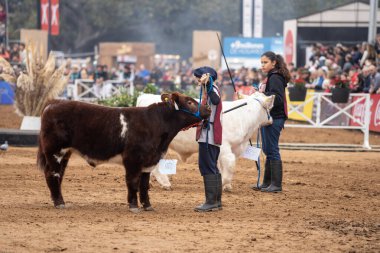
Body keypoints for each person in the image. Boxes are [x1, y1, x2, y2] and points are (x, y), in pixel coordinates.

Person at [255, 51, 291, 193]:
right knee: (268, 149)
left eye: (265, 62)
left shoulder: (275, 77)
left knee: (272, 150)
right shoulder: (272, 76)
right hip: (271, 117)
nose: (262, 65)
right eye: (261, 63)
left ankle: (276, 185)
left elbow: (277, 98)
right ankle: (267, 183)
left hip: (275, 117)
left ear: (274, 62)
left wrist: (261, 95)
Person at [193, 66, 223, 212]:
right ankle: (216, 201)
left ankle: (211, 201)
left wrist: (208, 84)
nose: (198, 81)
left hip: (208, 135)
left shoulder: (212, 89)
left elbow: (216, 101)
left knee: (207, 166)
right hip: (210, 133)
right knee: (212, 166)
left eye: (199, 78)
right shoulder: (211, 89)